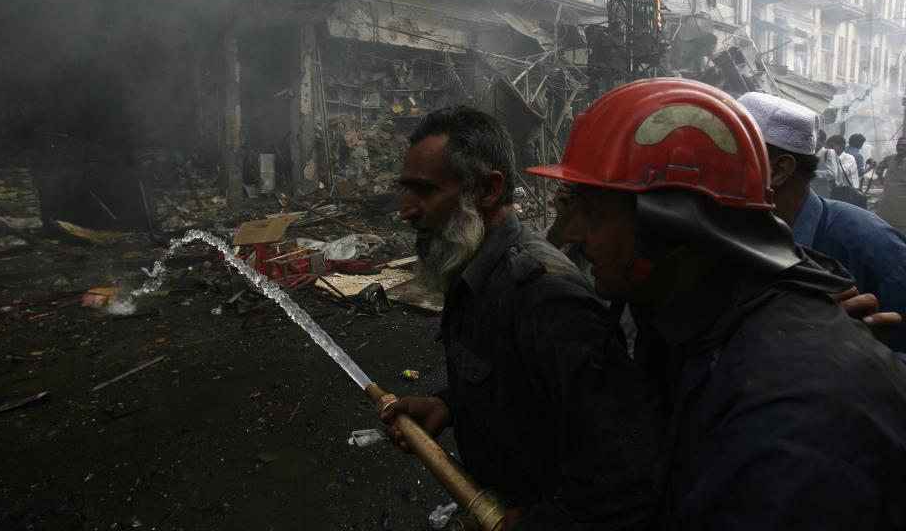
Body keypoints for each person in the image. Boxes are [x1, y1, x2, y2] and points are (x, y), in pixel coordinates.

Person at [528, 79, 906, 529]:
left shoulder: (787, 415)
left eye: (590, 209)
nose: (569, 234)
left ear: (671, 229)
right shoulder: (677, 316)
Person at [382, 106, 661, 530]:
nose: (407, 210)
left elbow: (623, 472)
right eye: (407, 190)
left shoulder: (544, 296)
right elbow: (517, 381)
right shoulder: (474, 268)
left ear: (487, 190)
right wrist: (448, 403)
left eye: (423, 190)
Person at [737, 92, 906, 350]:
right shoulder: (734, 237)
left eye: (730, 157)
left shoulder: (872, 245)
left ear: (778, 170)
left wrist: (872, 359)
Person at [877, 137, 906, 235]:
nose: (900, 147)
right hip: (887, 204)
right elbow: (879, 167)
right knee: (884, 231)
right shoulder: (890, 159)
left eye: (904, 146)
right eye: (899, 145)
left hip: (902, 207)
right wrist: (881, 178)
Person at [812, 128, 837, 196]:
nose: (813, 142)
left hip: (823, 193)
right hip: (809, 192)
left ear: (823, 142)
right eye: (812, 140)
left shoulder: (828, 153)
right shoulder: (808, 153)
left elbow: (832, 174)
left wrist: (812, 174)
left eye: (816, 140)